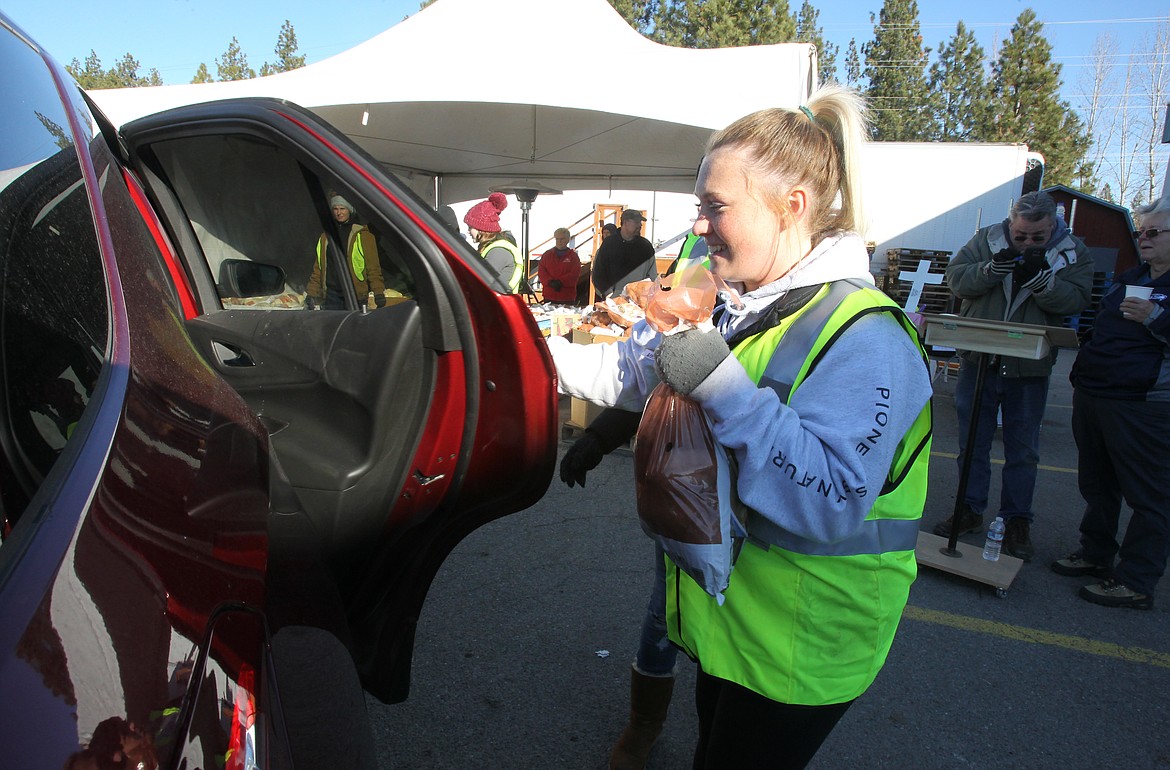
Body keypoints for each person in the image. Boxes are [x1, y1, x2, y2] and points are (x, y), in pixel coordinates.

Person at [549, 84, 933, 768]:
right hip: (730, 628)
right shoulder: (740, 302)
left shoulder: (869, 336)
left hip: (802, 648)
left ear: (793, 206)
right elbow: (632, 377)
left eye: (715, 207)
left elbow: (830, 501)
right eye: (700, 206)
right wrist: (522, 350)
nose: (698, 227)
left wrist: (720, 383)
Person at [558, 231, 709, 770]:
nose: (701, 225)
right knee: (663, 611)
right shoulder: (698, 271)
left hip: (756, 514)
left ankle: (717, 724)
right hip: (685, 492)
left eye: (715, 206)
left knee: (727, 627)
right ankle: (643, 726)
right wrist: (597, 440)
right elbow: (650, 377)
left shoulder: (813, 302)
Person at [934, 190, 1093, 560]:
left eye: (1037, 238)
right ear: (1010, 224)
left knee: (1023, 450)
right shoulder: (987, 239)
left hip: (1028, 367)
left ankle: (1015, 519)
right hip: (980, 360)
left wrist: (1043, 282)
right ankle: (969, 509)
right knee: (971, 442)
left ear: (1052, 225)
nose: (1027, 243)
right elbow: (956, 280)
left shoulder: (1072, 251)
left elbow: (1078, 300)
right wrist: (991, 269)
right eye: (1020, 236)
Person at [1051, 196, 1170, 610]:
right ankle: (1095, 553)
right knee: (1098, 485)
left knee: (1149, 496)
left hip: (1144, 404)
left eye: (1154, 232)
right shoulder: (1132, 276)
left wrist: (1156, 318)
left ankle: (1136, 580)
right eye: (1142, 231)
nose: (1145, 239)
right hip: (1097, 395)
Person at [306, 195, 386, 310]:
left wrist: (378, 292)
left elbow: (373, 267)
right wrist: (311, 293)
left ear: (350, 210)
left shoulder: (363, 235)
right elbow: (319, 268)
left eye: (342, 208)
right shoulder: (326, 237)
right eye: (335, 209)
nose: (339, 213)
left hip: (355, 293)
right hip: (332, 294)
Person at [464, 192, 524, 293]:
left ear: (481, 228)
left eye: (470, 227)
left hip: (497, 306)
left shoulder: (498, 251)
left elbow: (479, 282)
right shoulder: (493, 247)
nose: (468, 232)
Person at [592, 209, 658, 298]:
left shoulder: (646, 247)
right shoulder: (609, 244)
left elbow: (652, 277)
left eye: (640, 222)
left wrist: (643, 297)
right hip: (613, 302)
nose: (640, 225)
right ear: (625, 222)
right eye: (636, 222)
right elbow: (598, 273)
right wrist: (608, 294)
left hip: (637, 302)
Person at [537, 227, 582, 304]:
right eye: (557, 239)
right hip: (549, 295)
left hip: (567, 297)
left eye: (562, 239)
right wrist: (550, 282)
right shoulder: (547, 255)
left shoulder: (573, 256)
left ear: (568, 240)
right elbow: (541, 271)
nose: (559, 241)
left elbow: (574, 274)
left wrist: (560, 282)